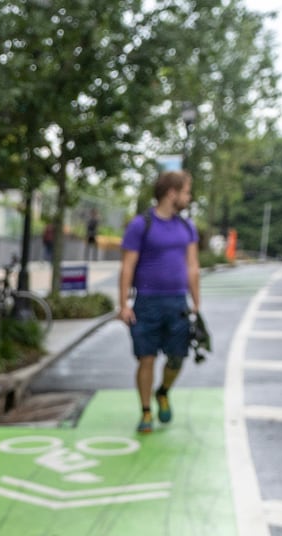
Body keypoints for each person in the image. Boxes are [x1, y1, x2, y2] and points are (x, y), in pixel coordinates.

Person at [118, 170, 200, 434]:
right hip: (147, 302)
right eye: (186, 192)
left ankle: (163, 391)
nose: (189, 197)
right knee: (147, 358)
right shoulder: (141, 224)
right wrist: (123, 305)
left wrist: (196, 303)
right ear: (171, 193)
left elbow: (193, 267)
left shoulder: (187, 227)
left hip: (177, 302)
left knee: (177, 357)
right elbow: (127, 267)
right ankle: (145, 411)